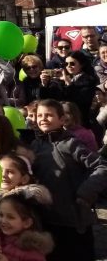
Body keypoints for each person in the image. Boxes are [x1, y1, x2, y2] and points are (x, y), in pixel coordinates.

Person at [31, 98, 107, 261]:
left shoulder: (71, 144)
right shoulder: (35, 146)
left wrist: (85, 192)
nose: (43, 119)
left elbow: (101, 166)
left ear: (62, 119)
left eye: (49, 115)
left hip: (73, 222)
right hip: (46, 221)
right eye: (39, 115)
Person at [0, 190, 54, 261]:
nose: (3, 220)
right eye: (0, 215)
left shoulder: (32, 248)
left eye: (10, 217)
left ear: (26, 223)